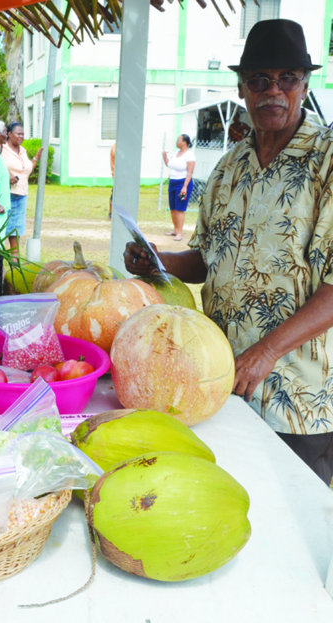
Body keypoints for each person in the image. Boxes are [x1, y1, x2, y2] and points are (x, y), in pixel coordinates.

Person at [123, 19, 333, 485]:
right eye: (259, 79)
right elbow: (205, 259)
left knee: (293, 524)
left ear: (304, 84)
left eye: (287, 79)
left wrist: (265, 351)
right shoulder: (228, 167)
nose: (272, 91)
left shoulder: (327, 160)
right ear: (242, 88)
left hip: (298, 396)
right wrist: (158, 261)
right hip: (217, 380)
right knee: (228, 502)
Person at [0, 121, 43, 255]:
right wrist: (8, 176)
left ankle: (15, 258)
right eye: (18, 133)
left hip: (21, 194)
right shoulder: (2, 149)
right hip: (7, 194)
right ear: (9, 134)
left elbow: (26, 170)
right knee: (2, 228)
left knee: (16, 228)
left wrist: (36, 158)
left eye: (23, 134)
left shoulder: (22, 150)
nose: (21, 136)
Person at [161, 134, 196, 241]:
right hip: (173, 182)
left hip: (183, 183)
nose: (176, 141)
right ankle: (175, 230)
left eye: (178, 140)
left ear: (184, 142)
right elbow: (169, 164)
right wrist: (165, 157)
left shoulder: (189, 155)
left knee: (179, 209)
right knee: (173, 209)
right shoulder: (176, 153)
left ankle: (179, 233)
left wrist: (185, 187)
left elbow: (190, 172)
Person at [109, 142, 116, 219]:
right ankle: (111, 213)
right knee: (114, 194)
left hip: (118, 174)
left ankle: (111, 213)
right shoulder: (115, 147)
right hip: (118, 175)